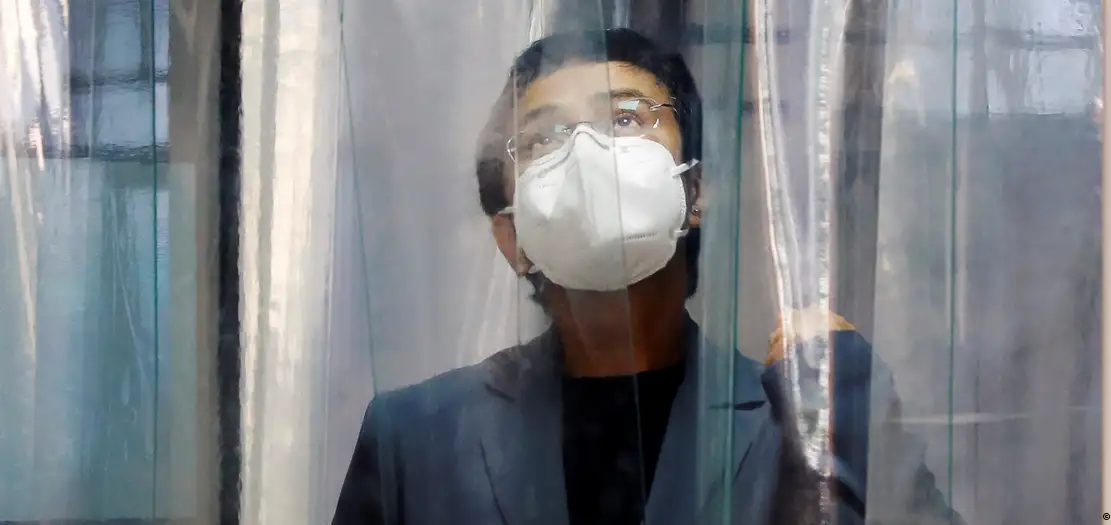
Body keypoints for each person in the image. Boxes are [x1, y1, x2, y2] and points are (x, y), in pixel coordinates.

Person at [333, 28, 961, 525]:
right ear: (510, 236)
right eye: (543, 138)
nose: (585, 153)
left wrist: (852, 403)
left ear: (696, 191)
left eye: (627, 119)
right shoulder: (412, 438)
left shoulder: (797, 425)